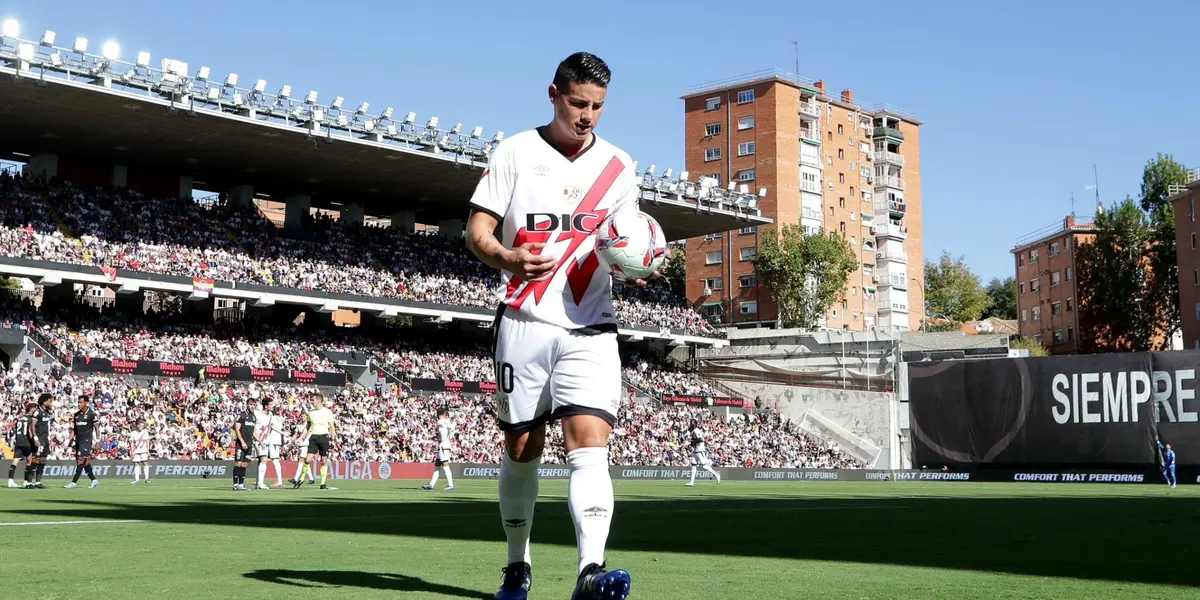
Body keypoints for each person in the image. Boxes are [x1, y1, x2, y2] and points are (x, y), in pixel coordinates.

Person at [466, 51, 655, 600]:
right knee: (523, 448)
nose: (588, 115)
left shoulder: (620, 166)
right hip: (524, 320)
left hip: (591, 326)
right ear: (553, 94)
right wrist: (505, 257)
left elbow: (623, 238)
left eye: (597, 106)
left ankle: (590, 572)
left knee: (589, 444)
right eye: (578, 103)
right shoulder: (515, 153)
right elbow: (477, 230)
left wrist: (632, 267)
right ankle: (517, 566)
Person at [293, 394, 336, 491]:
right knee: (307, 460)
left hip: (324, 437)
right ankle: (301, 479)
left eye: (313, 400)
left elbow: (332, 426)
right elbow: (307, 428)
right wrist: (300, 438)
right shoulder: (311, 413)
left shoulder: (327, 412)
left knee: (323, 460)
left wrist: (333, 440)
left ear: (318, 401)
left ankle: (323, 483)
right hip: (314, 437)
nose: (311, 401)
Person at [64, 395, 99, 489]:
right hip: (78, 440)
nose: (79, 404)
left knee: (80, 460)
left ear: (86, 403)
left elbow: (97, 428)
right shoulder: (76, 415)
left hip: (87, 440)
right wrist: (68, 440)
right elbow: (75, 429)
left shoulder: (92, 414)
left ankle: (73, 482)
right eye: (78, 402)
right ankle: (94, 480)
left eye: (81, 402)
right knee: (85, 462)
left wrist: (98, 441)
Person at [423, 407, 455, 491]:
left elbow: (442, 433)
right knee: (437, 465)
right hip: (445, 444)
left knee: (445, 464)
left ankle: (451, 484)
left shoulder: (440, 422)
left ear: (438, 414)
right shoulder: (448, 422)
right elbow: (451, 432)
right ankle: (431, 484)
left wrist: (439, 439)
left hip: (443, 445)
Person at [27, 393, 53, 489]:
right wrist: (35, 438)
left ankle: (38, 482)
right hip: (39, 439)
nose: (51, 403)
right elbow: (32, 425)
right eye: (50, 401)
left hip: (45, 440)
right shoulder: (38, 412)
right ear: (44, 401)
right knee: (35, 461)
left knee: (42, 461)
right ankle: (29, 483)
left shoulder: (47, 413)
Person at [7, 402, 35, 488]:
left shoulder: (20, 419)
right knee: (30, 461)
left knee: (15, 462)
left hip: (18, 442)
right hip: (26, 442)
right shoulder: (31, 419)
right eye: (35, 409)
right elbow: (30, 432)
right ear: (32, 409)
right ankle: (26, 481)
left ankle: (10, 481)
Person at [685, 420, 721, 487]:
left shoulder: (696, 431)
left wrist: (692, 441)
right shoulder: (693, 431)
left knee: (704, 465)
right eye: (690, 423)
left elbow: (701, 439)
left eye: (692, 423)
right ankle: (692, 482)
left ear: (695, 424)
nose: (690, 424)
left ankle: (716, 475)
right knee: (693, 465)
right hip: (696, 450)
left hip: (700, 450)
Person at [233, 399, 257, 492]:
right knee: (238, 463)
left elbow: (253, 432)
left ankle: (241, 484)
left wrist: (259, 440)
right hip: (241, 443)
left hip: (250, 444)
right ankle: (235, 485)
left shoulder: (253, 417)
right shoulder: (241, 415)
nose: (252, 406)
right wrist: (242, 442)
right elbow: (237, 429)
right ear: (247, 404)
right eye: (251, 404)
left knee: (244, 464)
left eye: (254, 405)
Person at [129, 420, 152, 484]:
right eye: (141, 425)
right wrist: (132, 451)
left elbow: (147, 442)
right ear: (137, 425)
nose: (142, 427)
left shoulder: (145, 432)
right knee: (136, 464)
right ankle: (137, 479)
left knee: (145, 463)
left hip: (143, 450)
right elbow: (132, 443)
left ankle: (146, 478)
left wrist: (148, 451)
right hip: (136, 450)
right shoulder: (133, 433)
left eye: (143, 425)